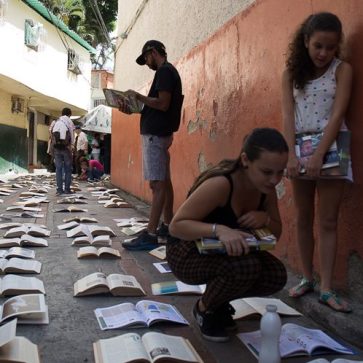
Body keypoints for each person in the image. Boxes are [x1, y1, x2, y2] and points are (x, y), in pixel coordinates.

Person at [166, 128, 288, 342]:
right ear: (245, 160)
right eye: (267, 172)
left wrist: (266, 219)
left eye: (280, 172)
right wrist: (219, 229)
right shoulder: (222, 184)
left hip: (226, 254)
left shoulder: (266, 190)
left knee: (276, 275)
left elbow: (275, 235)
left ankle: (217, 301)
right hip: (185, 251)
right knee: (246, 267)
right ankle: (205, 309)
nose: (274, 180)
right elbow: (176, 226)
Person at [282, 12, 353, 312]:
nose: (324, 53)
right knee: (302, 216)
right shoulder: (290, 74)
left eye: (331, 47)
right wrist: (290, 155)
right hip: (299, 146)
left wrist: (320, 154)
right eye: (318, 46)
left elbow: (337, 115)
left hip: (335, 146)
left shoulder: (343, 70)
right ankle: (307, 278)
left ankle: (326, 288)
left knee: (327, 220)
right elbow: (288, 116)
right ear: (306, 43)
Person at [119, 40, 183, 250]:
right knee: (165, 181)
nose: (146, 63)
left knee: (157, 185)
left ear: (153, 52)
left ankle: (151, 233)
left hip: (155, 135)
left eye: (146, 58)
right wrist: (134, 107)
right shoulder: (166, 71)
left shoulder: (165, 71)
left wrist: (137, 96)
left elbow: (163, 104)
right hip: (159, 133)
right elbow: (157, 105)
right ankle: (167, 225)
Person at [52, 107, 75, 195]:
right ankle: (67, 189)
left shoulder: (56, 121)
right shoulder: (69, 121)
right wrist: (72, 145)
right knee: (68, 169)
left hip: (57, 147)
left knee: (58, 169)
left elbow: (52, 134)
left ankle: (59, 190)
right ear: (69, 114)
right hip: (66, 147)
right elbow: (72, 134)